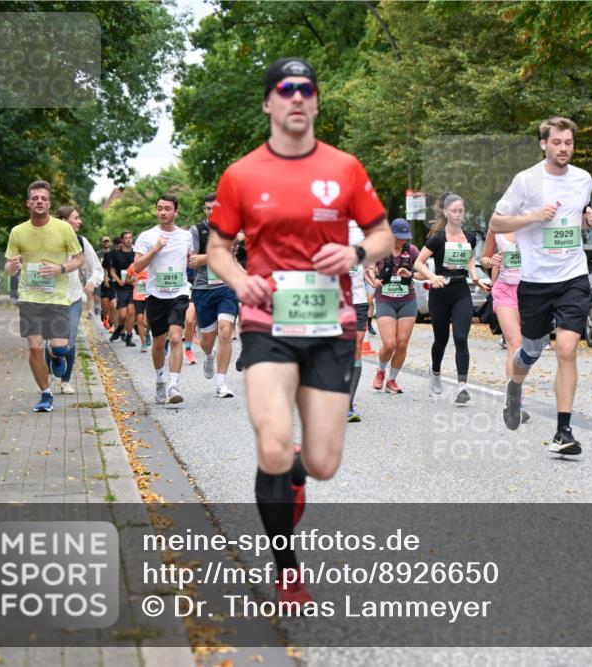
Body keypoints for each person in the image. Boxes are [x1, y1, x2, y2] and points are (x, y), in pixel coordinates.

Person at [206, 57, 392, 606]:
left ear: (315, 100)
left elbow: (382, 235)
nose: (296, 97)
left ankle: (296, 475)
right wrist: (242, 282)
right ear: (269, 102)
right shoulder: (241, 174)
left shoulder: (345, 167)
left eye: (306, 89)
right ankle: (287, 568)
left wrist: (356, 250)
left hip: (330, 325)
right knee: (270, 443)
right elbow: (218, 248)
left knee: (323, 463)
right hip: (268, 321)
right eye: (285, 89)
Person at [489, 117, 592, 456]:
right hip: (536, 281)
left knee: (567, 349)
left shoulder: (583, 179)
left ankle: (563, 431)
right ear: (544, 144)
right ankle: (514, 389)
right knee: (531, 351)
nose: (563, 148)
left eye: (568, 143)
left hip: (572, 276)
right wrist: (534, 217)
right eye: (557, 142)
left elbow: (575, 216)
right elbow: (496, 222)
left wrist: (589, 220)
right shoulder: (526, 181)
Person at [4, 180, 84, 412]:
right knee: (35, 347)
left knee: (60, 348)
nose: (40, 201)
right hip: (30, 296)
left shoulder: (64, 229)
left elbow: (78, 259)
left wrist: (60, 269)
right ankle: (45, 394)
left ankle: (57, 355)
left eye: (44, 198)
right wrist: (13, 266)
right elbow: (8, 265)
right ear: (28, 203)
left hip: (57, 296)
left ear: (49, 203)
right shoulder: (18, 232)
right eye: (35, 198)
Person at [416, 193, 490, 403]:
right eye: (454, 211)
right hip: (439, 294)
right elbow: (419, 263)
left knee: (460, 338)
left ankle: (462, 387)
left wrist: (476, 278)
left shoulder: (470, 237)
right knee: (441, 339)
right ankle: (436, 372)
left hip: (460, 293)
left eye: (461, 211)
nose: (458, 215)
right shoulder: (437, 238)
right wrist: (432, 276)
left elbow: (470, 259)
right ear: (445, 212)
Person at [132, 193, 195, 404]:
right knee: (159, 343)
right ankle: (160, 380)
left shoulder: (186, 236)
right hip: (155, 295)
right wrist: (156, 249)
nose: (163, 212)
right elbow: (137, 267)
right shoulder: (147, 236)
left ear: (175, 211)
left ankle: (173, 385)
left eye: (167, 208)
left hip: (179, 293)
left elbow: (190, 260)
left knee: (176, 337)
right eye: (160, 208)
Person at [366, 218, 435, 394]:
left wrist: (410, 273)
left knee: (402, 344)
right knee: (389, 344)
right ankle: (381, 371)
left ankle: (392, 380)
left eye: (404, 237)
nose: (401, 240)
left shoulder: (411, 251)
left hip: (407, 301)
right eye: (398, 237)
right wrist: (373, 279)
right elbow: (370, 269)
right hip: (386, 301)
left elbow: (423, 274)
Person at [189, 193, 240, 398]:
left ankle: (221, 383)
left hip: (226, 287)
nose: (212, 212)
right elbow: (192, 261)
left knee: (226, 331)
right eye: (208, 208)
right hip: (203, 289)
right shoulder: (197, 231)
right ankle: (209, 356)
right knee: (207, 340)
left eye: (215, 208)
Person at [53, 206, 104, 394]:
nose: (80, 221)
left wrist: (91, 281)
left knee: (71, 339)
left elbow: (97, 268)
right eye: (76, 218)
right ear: (64, 221)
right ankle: (55, 358)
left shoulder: (81, 242)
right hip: (50, 299)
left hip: (73, 298)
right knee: (51, 342)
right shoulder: (47, 240)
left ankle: (65, 381)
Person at [481, 231, 530, 423]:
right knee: (515, 343)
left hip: (530, 291)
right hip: (504, 290)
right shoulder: (496, 228)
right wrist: (491, 261)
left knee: (527, 346)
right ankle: (516, 401)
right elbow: (485, 258)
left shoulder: (532, 225)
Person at [348, 219, 369, 421]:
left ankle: (348, 404)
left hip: (358, 299)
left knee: (356, 344)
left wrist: (370, 268)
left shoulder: (359, 228)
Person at [104, 231, 137, 346]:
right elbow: (111, 271)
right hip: (121, 287)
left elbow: (140, 269)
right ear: (122, 240)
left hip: (133, 287)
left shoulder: (136, 254)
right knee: (122, 315)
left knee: (131, 312)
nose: (128, 240)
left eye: (130, 237)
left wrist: (136, 279)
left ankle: (129, 337)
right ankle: (119, 328)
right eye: (126, 238)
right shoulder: (116, 254)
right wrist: (119, 281)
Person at [127, 264, 150, 351]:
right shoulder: (133, 265)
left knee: (148, 320)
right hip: (138, 295)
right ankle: (143, 343)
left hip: (150, 294)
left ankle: (147, 333)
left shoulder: (152, 262)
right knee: (140, 318)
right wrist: (133, 279)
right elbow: (126, 280)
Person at [97, 235, 114, 327]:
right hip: (100, 281)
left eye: (108, 241)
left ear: (110, 242)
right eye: (104, 241)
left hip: (112, 281)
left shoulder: (113, 253)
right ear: (101, 243)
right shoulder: (97, 254)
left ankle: (110, 322)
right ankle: (104, 314)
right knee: (105, 305)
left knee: (113, 304)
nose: (106, 242)